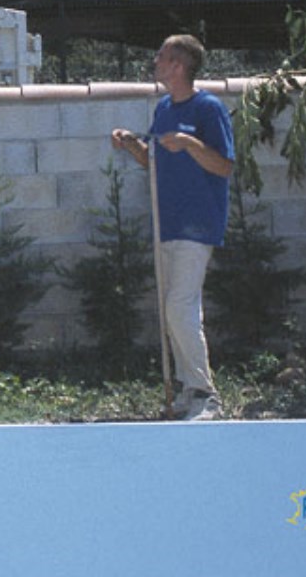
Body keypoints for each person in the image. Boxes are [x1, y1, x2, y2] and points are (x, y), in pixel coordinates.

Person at [111, 34, 234, 421]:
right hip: (168, 221)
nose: (156, 62)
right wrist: (132, 145)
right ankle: (188, 388)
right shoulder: (164, 108)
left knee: (180, 308)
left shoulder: (208, 108)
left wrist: (190, 144)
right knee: (175, 310)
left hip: (198, 224)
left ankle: (205, 392)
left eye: (162, 57)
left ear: (178, 66)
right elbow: (156, 162)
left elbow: (225, 166)